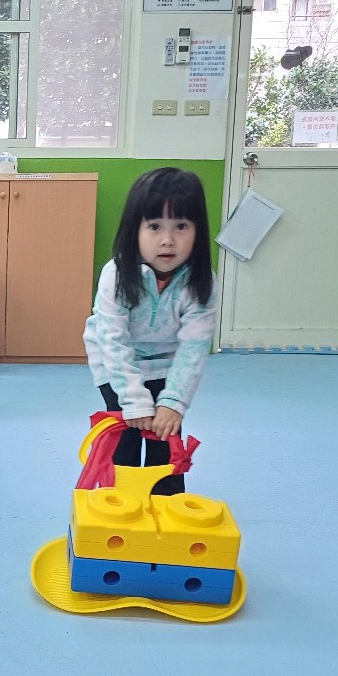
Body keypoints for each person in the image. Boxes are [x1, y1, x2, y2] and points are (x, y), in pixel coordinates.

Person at [83, 167, 217, 496]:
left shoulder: (202, 282)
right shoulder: (116, 275)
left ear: (198, 231)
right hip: (115, 364)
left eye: (181, 226)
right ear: (135, 230)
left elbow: (194, 347)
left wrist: (173, 403)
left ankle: (166, 509)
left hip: (167, 364)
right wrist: (135, 401)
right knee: (125, 442)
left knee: (165, 445)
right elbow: (113, 340)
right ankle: (120, 505)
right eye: (155, 226)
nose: (167, 240)